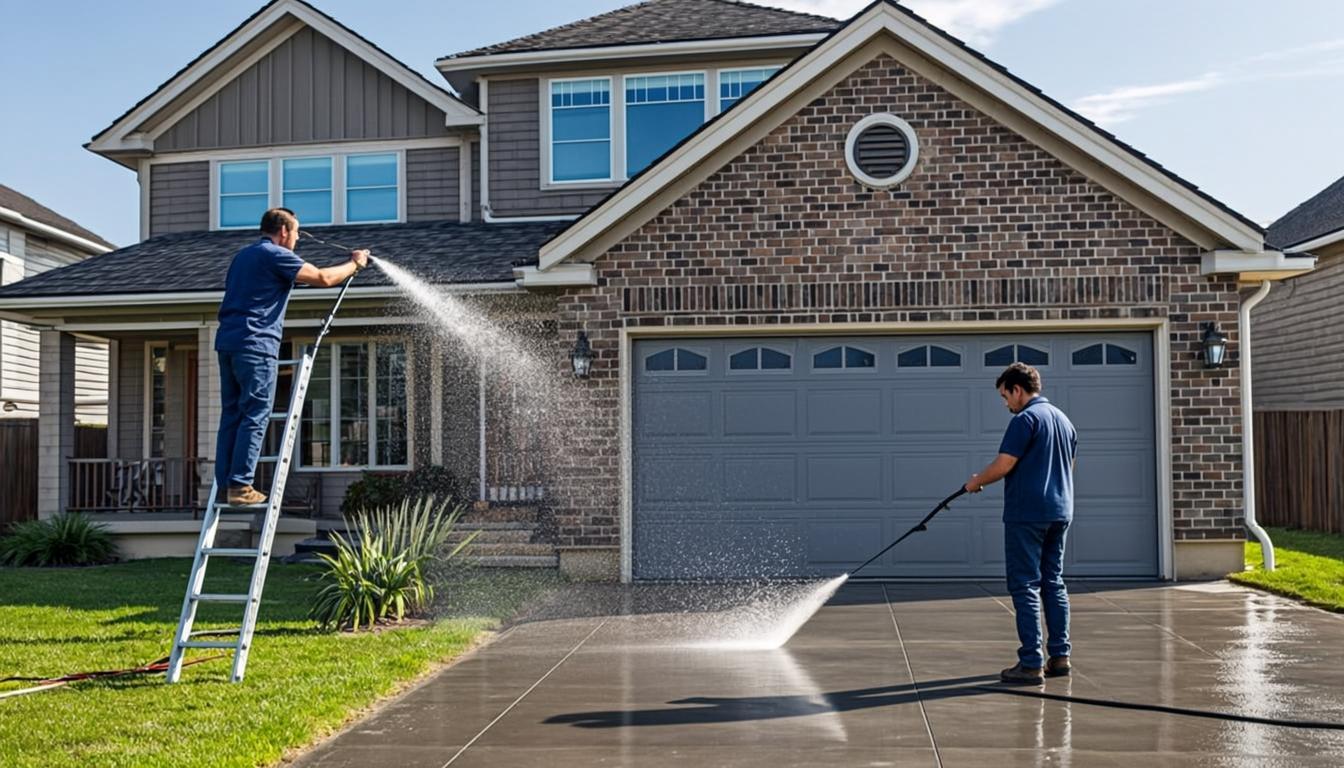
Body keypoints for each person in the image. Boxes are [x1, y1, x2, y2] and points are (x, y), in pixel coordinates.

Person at [214, 208, 369, 506]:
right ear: (283, 231)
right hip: (256, 345)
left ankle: (226, 484)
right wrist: (354, 264)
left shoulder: (243, 257)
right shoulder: (275, 255)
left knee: (232, 415)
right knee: (255, 414)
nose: (298, 239)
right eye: (297, 233)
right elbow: (323, 278)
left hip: (228, 344)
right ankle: (241, 485)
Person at [964, 362, 1078, 685]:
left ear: (1018, 389)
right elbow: (1069, 466)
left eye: (1005, 396)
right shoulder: (1064, 421)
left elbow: (1004, 464)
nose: (1006, 404)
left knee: (1025, 584)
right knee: (1053, 582)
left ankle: (1030, 663)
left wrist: (976, 482)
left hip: (1027, 514)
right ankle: (1060, 657)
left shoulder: (1025, 419)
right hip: (1060, 512)